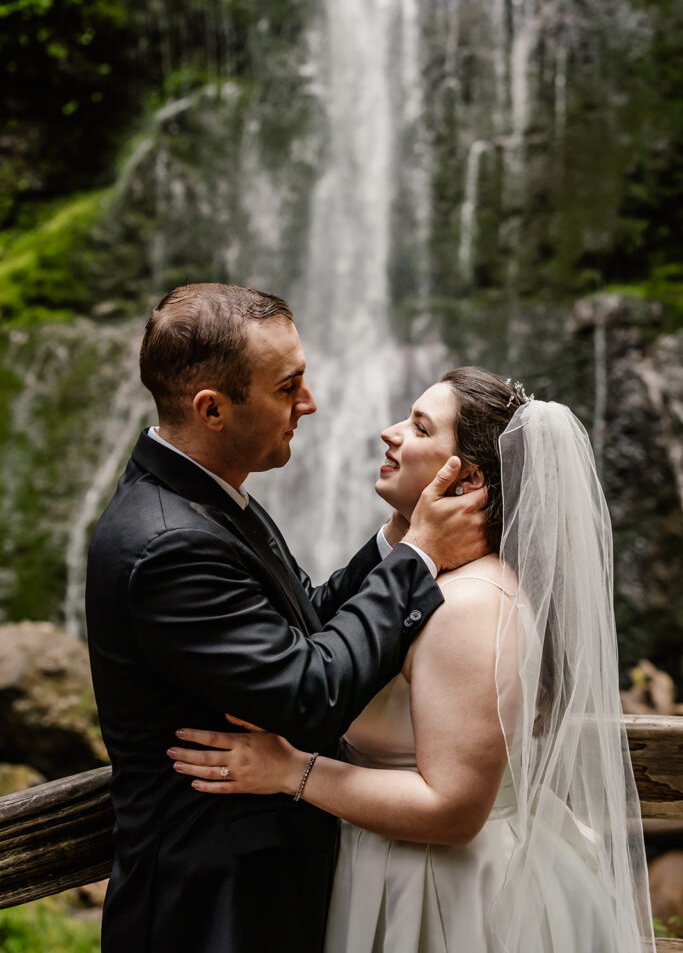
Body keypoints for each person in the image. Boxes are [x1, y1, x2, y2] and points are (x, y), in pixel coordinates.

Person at [170, 367, 655, 952]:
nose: (389, 432)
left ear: (466, 478)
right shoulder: (427, 576)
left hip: (449, 895)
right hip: (391, 867)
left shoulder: (474, 605)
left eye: (419, 427)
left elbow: (453, 810)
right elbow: (325, 634)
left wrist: (288, 770)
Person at [85, 284, 488, 953]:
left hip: (264, 879)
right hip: (214, 905)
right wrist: (419, 558)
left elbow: (306, 622)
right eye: (286, 387)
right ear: (211, 409)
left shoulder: (210, 496)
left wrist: (395, 539)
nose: (310, 403)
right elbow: (309, 691)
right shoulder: (169, 543)